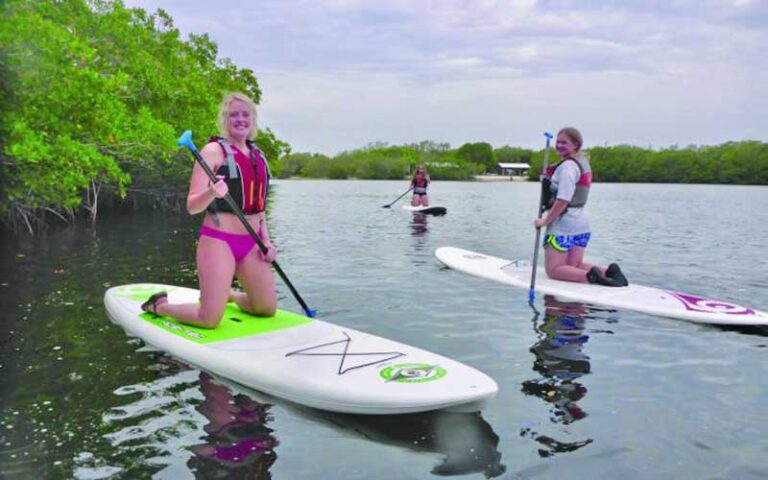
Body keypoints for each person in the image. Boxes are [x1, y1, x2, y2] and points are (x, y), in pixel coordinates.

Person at [141, 92, 278, 327]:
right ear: (225, 120)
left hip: (252, 244)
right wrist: (211, 192)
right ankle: (159, 306)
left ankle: (229, 295)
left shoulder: (259, 156)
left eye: (246, 114)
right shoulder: (213, 151)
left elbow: (259, 208)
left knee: (266, 309)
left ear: (253, 120)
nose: (240, 119)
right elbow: (192, 206)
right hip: (219, 241)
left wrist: (267, 242)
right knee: (209, 319)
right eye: (233, 114)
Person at [533, 127, 628, 287]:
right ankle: (609, 273)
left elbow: (563, 199)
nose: (559, 145)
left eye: (564, 142)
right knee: (573, 266)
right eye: (558, 141)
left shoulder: (568, 167)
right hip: (582, 223)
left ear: (576, 144)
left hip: (563, 224)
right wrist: (548, 180)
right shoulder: (581, 162)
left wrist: (545, 221)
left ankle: (592, 277)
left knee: (554, 270)